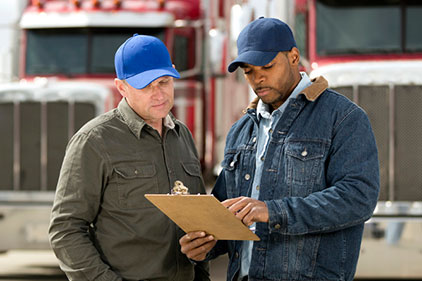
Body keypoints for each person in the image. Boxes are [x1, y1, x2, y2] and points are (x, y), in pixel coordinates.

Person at [179, 17, 380, 281]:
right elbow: (226, 217)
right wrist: (203, 246)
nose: (258, 78)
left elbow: (358, 198)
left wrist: (274, 211)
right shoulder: (240, 131)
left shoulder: (343, 118)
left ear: (294, 57)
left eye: (267, 66)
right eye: (249, 71)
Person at [49, 34, 209, 281]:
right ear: (121, 87)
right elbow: (65, 230)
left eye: (164, 82)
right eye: (145, 86)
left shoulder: (182, 135)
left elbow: (197, 222)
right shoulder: (94, 140)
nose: (158, 94)